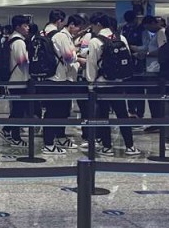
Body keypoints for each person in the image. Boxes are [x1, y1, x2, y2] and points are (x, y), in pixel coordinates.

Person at [86, 13, 140, 157]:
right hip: (118, 83)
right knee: (122, 115)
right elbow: (127, 59)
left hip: (102, 84)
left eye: (93, 25)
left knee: (103, 116)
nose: (92, 28)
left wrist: (90, 83)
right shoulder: (121, 38)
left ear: (99, 24)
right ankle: (130, 146)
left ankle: (107, 147)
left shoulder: (95, 41)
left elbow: (92, 64)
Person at [42, 15, 87, 155]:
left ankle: (60, 137)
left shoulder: (63, 36)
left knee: (62, 111)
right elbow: (68, 57)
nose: (79, 30)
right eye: (78, 26)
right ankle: (48, 143)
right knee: (54, 112)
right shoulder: (61, 36)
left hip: (61, 78)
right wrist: (79, 59)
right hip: (58, 79)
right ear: (71, 24)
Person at [0, 15, 30, 147]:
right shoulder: (19, 42)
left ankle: (7, 130)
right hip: (18, 79)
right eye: (25, 26)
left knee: (17, 109)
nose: (27, 28)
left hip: (14, 79)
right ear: (18, 27)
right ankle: (14, 136)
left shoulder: (11, 39)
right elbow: (22, 61)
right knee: (18, 110)